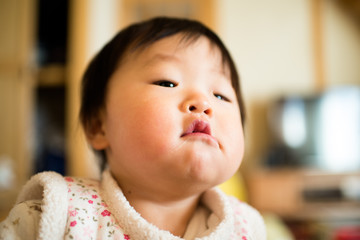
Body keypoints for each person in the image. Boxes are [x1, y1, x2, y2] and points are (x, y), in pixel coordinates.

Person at [0, 17, 266, 240]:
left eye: (221, 95)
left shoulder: (247, 228)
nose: (203, 103)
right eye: (167, 82)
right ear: (99, 127)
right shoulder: (56, 213)